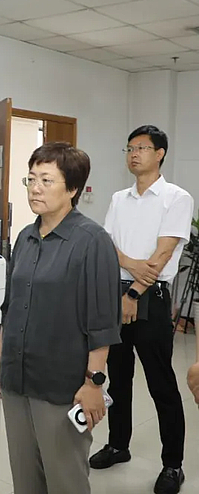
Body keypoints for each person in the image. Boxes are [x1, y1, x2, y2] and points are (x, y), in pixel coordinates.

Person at [0, 142, 121, 494]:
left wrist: (94, 383)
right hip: (17, 377)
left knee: (65, 480)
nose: (35, 188)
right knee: (25, 478)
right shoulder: (25, 237)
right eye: (31, 179)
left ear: (73, 189)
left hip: (61, 386)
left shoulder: (92, 241)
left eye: (46, 180)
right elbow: (11, 307)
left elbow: (103, 322)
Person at [90, 125, 193, 494]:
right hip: (114, 294)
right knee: (118, 377)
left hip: (151, 296)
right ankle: (118, 445)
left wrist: (133, 292)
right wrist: (131, 267)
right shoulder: (119, 198)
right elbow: (106, 245)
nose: (134, 154)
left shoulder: (176, 198)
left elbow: (163, 253)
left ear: (160, 153)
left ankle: (173, 465)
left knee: (161, 382)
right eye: (130, 148)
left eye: (142, 148)